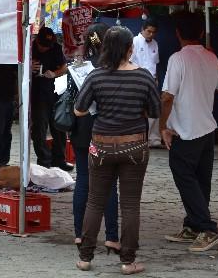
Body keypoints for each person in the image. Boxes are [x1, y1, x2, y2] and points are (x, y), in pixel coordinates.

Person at [73, 26, 160, 275]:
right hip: (134, 145)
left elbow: (79, 109)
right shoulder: (143, 77)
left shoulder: (96, 76)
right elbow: (155, 112)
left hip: (101, 145)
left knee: (95, 200)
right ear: (130, 49)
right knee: (130, 204)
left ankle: (85, 258)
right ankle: (128, 261)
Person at [160, 11, 218, 252]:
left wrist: (162, 127)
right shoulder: (211, 57)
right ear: (201, 32)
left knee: (186, 178)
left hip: (185, 131)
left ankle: (207, 227)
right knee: (201, 180)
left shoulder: (177, 59)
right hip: (206, 127)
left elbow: (167, 96)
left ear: (178, 33)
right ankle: (193, 225)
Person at [68, 23, 120, 254]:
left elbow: (69, 100)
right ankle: (111, 236)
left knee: (83, 181)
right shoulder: (116, 67)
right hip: (107, 130)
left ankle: (80, 234)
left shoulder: (77, 67)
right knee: (108, 185)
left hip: (82, 130)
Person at [31, 27, 72, 171]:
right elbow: (17, 66)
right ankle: (44, 160)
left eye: (47, 46)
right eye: (42, 45)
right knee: (39, 130)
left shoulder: (56, 48)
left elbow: (64, 67)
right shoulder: (29, 48)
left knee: (59, 127)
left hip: (55, 93)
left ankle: (59, 160)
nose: (44, 49)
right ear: (37, 41)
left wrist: (54, 73)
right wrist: (28, 67)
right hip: (37, 94)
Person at [130, 18, 161, 148]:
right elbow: (129, 61)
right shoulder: (134, 42)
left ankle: (154, 140)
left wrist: (156, 78)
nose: (151, 34)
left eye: (153, 32)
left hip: (152, 79)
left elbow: (154, 63)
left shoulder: (155, 43)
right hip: (138, 78)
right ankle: (139, 139)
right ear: (142, 30)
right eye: (149, 31)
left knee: (154, 107)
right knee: (139, 109)